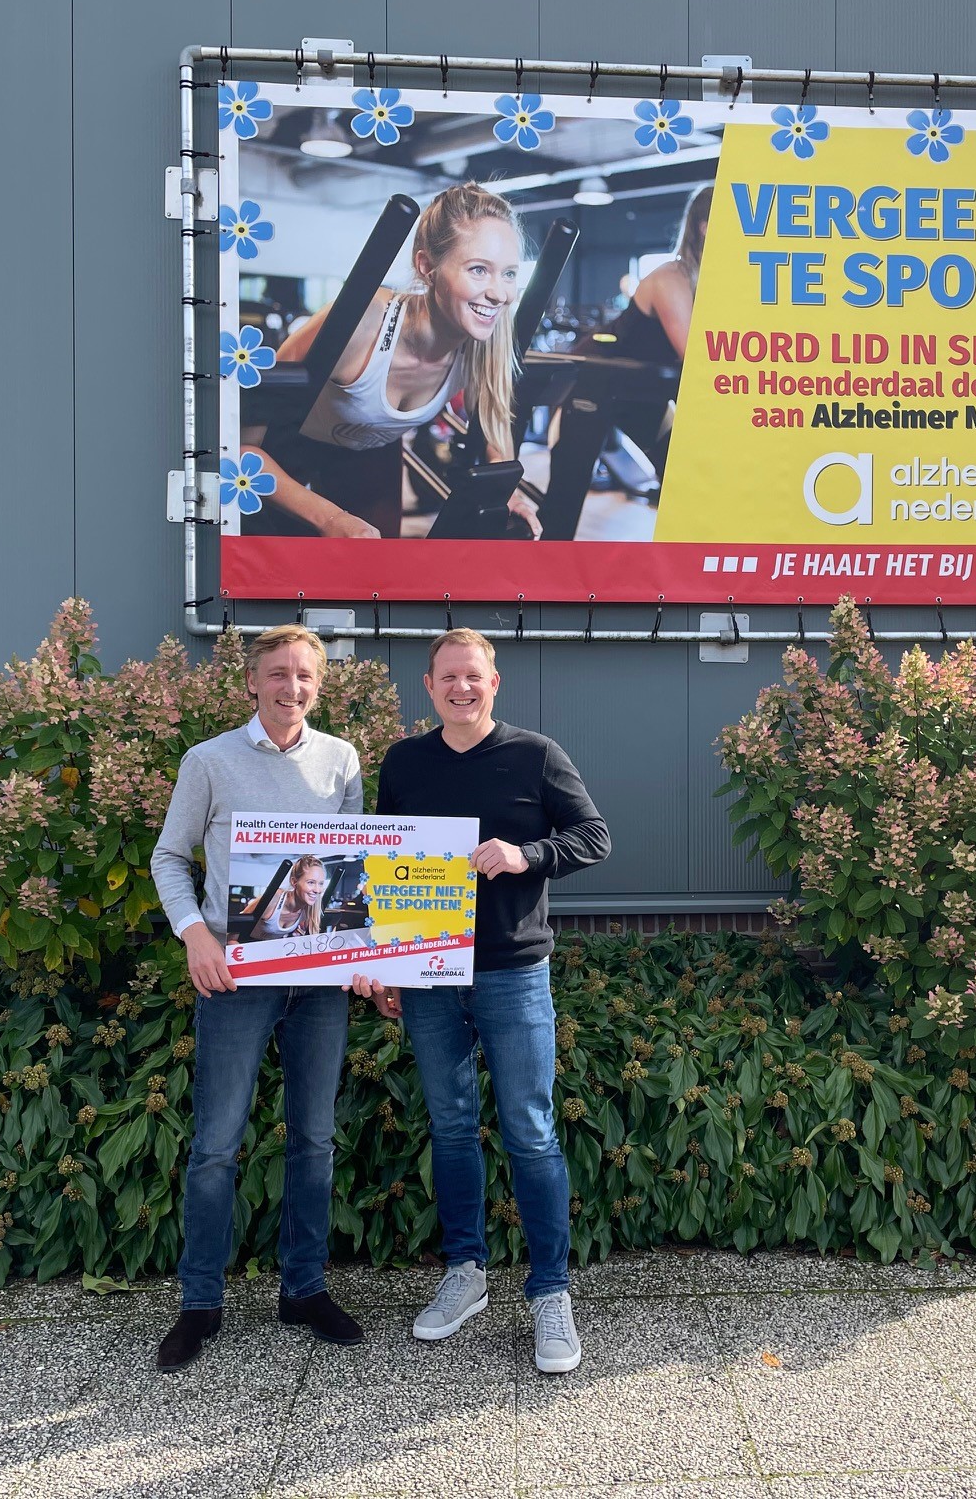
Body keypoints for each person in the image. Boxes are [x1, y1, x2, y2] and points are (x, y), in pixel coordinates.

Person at [353, 629, 610, 1374]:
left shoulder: (536, 755)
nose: (461, 688)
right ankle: (465, 1273)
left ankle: (550, 1292)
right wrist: (385, 963)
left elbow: (594, 836)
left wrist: (528, 854)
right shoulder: (404, 762)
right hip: (429, 973)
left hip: (512, 971)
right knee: (452, 1127)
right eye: (448, 677)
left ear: (494, 683)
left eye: (474, 676)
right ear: (428, 687)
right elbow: (383, 865)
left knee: (530, 1131)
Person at [148, 625, 368, 1372]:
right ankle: (199, 1304)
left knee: (314, 1138)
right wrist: (194, 936)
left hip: (320, 980)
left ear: (319, 686)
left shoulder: (341, 760)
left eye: (304, 675)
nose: (291, 687)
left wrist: (366, 956)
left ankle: (303, 1290)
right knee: (216, 1145)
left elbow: (351, 872)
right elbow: (169, 856)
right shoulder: (208, 760)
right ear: (251, 682)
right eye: (278, 673)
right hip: (235, 977)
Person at [246, 182, 541, 539]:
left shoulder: (486, 340)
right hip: (284, 458)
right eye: (478, 269)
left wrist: (506, 492)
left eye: (509, 273)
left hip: (371, 457)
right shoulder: (361, 323)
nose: (499, 294)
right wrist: (330, 519)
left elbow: (495, 423)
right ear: (426, 266)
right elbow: (240, 444)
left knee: (376, 568)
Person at [540, 185, 711, 539]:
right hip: (594, 385)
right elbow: (697, 356)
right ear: (705, 227)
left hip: (641, 394)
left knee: (688, 483)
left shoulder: (710, 283)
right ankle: (543, 567)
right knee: (564, 504)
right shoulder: (670, 278)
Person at [242, 853, 327, 939]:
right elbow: (237, 925)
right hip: (245, 943)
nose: (317, 890)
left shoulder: (310, 909)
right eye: (311, 882)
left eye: (321, 883)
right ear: (294, 882)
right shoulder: (273, 899)